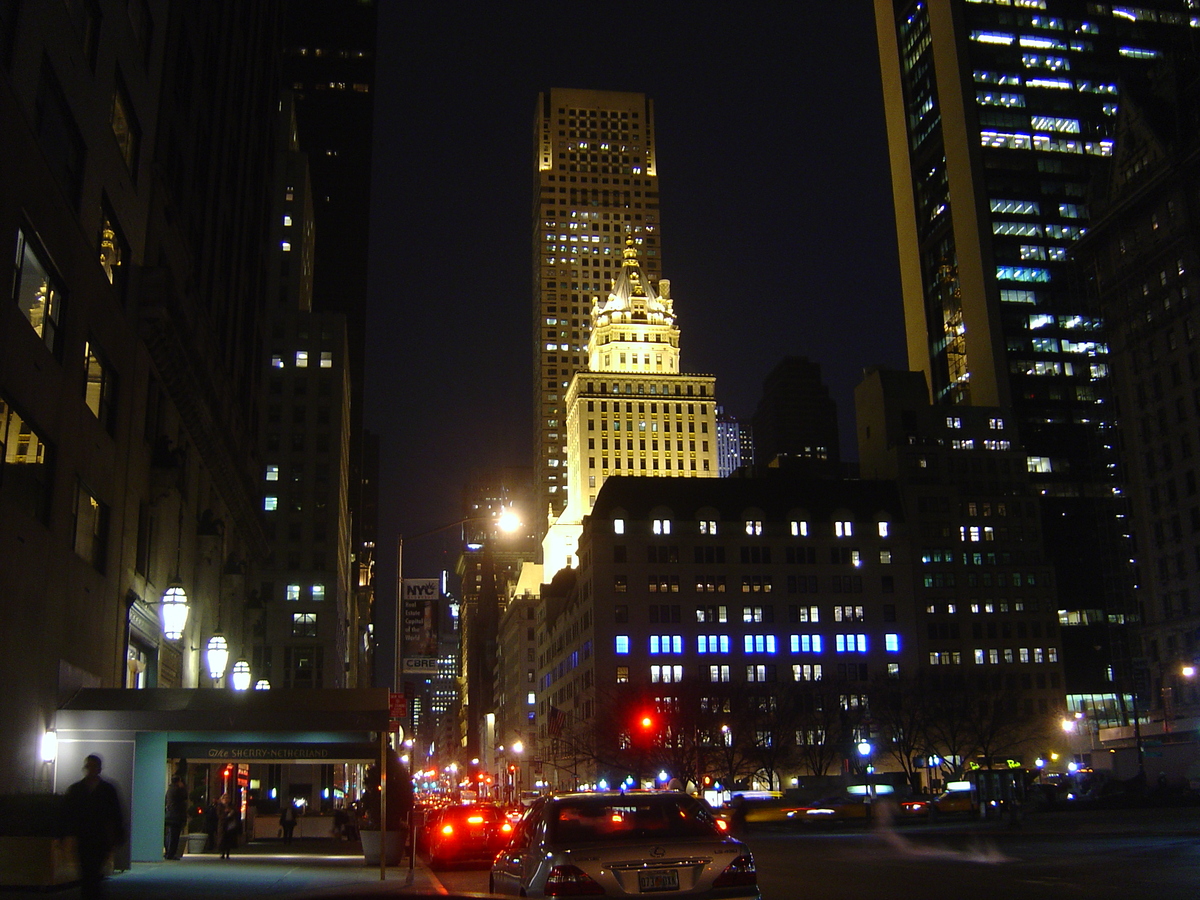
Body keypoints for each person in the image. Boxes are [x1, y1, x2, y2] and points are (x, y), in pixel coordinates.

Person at [59, 754, 125, 900]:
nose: (90, 769)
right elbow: (68, 815)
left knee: (90, 872)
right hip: (85, 837)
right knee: (89, 872)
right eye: (89, 766)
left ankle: (90, 894)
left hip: (98, 838)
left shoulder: (84, 790)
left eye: (92, 766)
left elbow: (115, 814)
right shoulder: (82, 790)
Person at [163, 776, 188, 859]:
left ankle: (168, 852)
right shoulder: (177, 790)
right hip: (176, 816)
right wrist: (183, 788)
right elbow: (185, 796)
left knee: (169, 835)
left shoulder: (169, 790)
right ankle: (171, 854)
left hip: (169, 814)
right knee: (174, 836)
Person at [217, 794, 241, 859]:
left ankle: (227, 853)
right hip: (222, 824)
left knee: (229, 839)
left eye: (227, 798)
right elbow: (219, 814)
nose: (226, 799)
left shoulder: (231, 806)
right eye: (225, 798)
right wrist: (225, 814)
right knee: (222, 838)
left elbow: (235, 812)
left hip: (230, 824)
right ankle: (222, 853)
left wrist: (231, 812)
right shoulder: (220, 806)